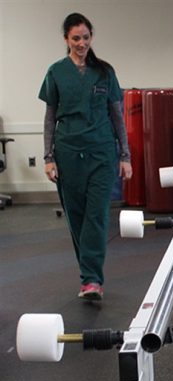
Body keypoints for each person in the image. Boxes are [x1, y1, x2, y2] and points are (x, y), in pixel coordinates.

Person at [39, 12, 132, 301]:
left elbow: (117, 116)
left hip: (102, 152)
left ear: (92, 37)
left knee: (96, 215)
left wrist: (125, 155)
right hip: (67, 153)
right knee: (76, 217)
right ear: (66, 39)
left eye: (86, 37)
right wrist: (48, 157)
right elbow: (50, 117)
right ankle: (89, 276)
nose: (82, 43)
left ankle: (91, 279)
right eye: (76, 38)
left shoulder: (105, 72)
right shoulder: (56, 72)